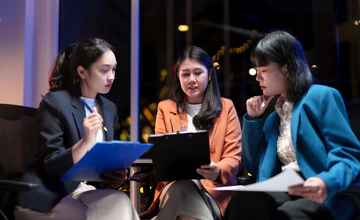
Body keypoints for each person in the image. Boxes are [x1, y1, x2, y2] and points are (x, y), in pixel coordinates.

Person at [224, 31, 360, 220]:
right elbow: (254, 168)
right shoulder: (274, 117)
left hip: (319, 188)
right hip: (284, 187)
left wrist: (326, 182)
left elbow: (347, 154)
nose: (257, 78)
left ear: (286, 69)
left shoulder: (321, 96)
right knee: (242, 201)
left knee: (286, 215)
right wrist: (254, 120)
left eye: (263, 71)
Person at [15, 37, 140, 220]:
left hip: (83, 190)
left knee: (119, 200)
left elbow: (101, 164)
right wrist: (86, 141)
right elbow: (51, 164)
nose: (112, 76)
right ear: (82, 72)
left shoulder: (109, 108)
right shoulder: (55, 102)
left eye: (113, 69)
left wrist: (116, 177)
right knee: (83, 214)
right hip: (50, 190)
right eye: (104, 70)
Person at [140, 46, 242, 220]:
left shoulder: (226, 108)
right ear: (178, 77)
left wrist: (218, 170)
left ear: (209, 75)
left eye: (197, 73)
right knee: (183, 187)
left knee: (185, 197)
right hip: (174, 188)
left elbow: (234, 158)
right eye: (185, 74)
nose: (191, 80)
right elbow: (161, 157)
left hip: (213, 191)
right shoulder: (165, 108)